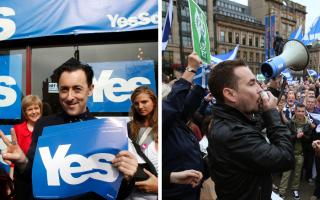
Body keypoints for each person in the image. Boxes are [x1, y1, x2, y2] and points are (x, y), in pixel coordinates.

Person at [0, 58, 138, 199]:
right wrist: (22, 162)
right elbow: (33, 175)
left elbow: (114, 192)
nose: (70, 97)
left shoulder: (106, 132)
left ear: (90, 90)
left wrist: (127, 177)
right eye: (64, 89)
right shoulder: (44, 125)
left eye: (77, 89)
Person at [207, 59, 295, 200]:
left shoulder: (233, 120)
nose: (260, 89)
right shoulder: (233, 134)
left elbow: (255, 124)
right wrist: (271, 112)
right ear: (230, 94)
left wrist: (272, 90)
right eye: (252, 83)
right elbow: (286, 157)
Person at [162, 52, 205, 200]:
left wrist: (201, 84)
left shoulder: (177, 121)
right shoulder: (164, 122)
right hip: (176, 193)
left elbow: (187, 105)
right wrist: (190, 70)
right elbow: (171, 106)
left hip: (190, 190)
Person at [126, 85, 158, 199]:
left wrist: (159, 187)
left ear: (154, 101)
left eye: (144, 102)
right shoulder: (128, 128)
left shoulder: (163, 125)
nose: (140, 106)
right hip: (134, 193)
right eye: (136, 103)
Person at [13, 95, 43, 200]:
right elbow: (14, 157)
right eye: (30, 109)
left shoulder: (48, 128)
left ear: (40, 109)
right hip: (23, 178)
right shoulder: (18, 129)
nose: (34, 112)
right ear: (25, 113)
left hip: (43, 176)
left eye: (36, 108)